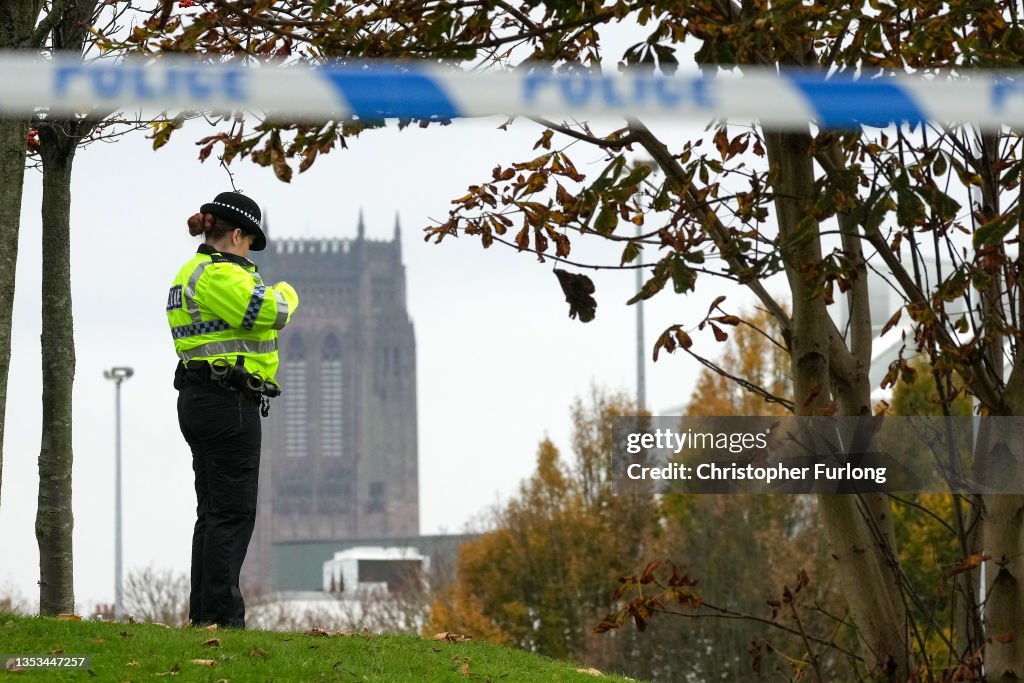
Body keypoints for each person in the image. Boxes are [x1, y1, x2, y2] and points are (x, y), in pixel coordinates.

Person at [166, 191, 299, 629]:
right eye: (249, 243)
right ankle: (222, 619)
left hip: (202, 398)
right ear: (237, 234)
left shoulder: (191, 272)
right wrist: (286, 292)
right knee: (233, 514)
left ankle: (205, 614)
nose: (249, 253)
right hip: (228, 402)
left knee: (213, 514)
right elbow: (268, 311)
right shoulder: (221, 275)